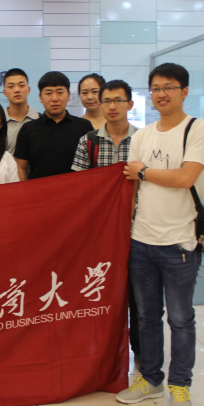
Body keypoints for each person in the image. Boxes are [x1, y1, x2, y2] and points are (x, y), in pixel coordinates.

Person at [117, 63, 204, 406]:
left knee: (180, 318)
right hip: (141, 240)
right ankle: (150, 379)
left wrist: (144, 171)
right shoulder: (142, 136)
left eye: (169, 87)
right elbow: (132, 185)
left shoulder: (199, 129)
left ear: (184, 91)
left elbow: (186, 177)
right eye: (156, 88)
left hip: (180, 242)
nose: (162, 94)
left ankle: (180, 385)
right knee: (146, 316)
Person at [71, 80, 140, 366]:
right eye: (107, 101)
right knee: (99, 294)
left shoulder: (143, 140)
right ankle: (99, 353)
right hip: (100, 232)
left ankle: (141, 356)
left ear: (130, 104)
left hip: (138, 229)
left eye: (118, 100)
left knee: (138, 298)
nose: (112, 106)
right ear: (100, 105)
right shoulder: (88, 141)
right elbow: (79, 187)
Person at [14, 71, 93, 181]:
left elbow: (93, 166)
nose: (55, 98)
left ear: (69, 95)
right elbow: (21, 168)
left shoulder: (84, 126)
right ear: (40, 97)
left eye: (60, 92)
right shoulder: (28, 129)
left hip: (76, 191)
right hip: (39, 191)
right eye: (48, 93)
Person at [2, 68, 40, 155]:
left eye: (21, 85)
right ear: (5, 92)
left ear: (28, 90)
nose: (17, 90)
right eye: (11, 86)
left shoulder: (40, 120)